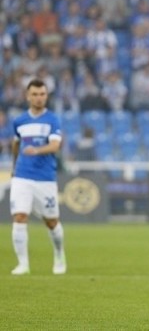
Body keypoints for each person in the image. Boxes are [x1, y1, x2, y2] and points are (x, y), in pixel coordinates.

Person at [10, 79, 66, 275]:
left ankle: (59, 255)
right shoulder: (19, 121)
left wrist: (37, 150)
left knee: (51, 221)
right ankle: (23, 264)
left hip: (45, 178)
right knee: (19, 216)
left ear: (46, 96)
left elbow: (55, 146)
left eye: (42, 94)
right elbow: (15, 143)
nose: (39, 98)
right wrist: (14, 165)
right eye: (35, 94)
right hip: (22, 176)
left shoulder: (53, 120)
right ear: (27, 96)